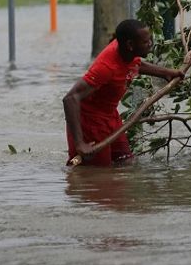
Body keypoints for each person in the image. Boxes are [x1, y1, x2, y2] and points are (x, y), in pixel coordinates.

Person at [63, 19, 183, 166]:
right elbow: (70, 98)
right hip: (90, 123)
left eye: (150, 39)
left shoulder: (127, 52)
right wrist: (80, 144)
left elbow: (135, 63)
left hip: (111, 116)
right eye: (145, 42)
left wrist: (166, 73)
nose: (150, 44)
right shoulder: (106, 67)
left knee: (126, 162)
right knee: (96, 173)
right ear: (130, 45)